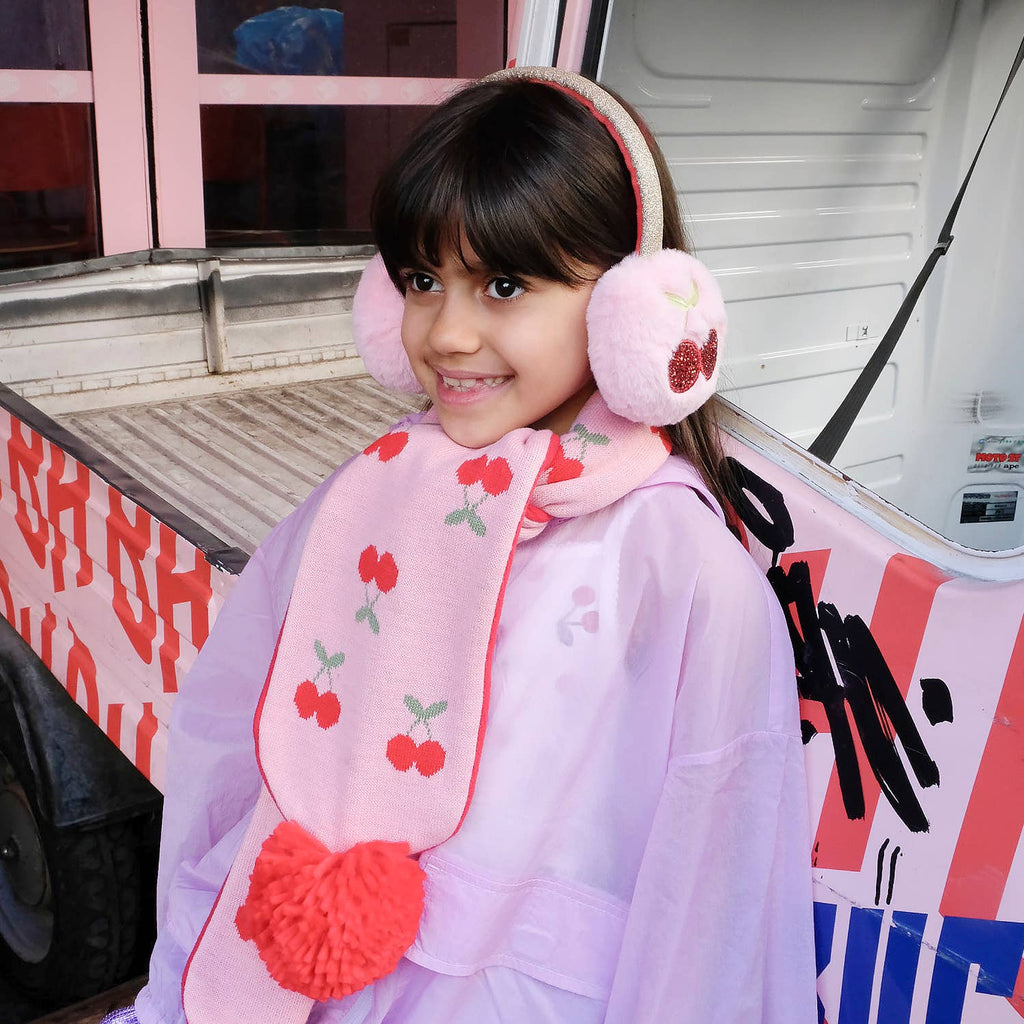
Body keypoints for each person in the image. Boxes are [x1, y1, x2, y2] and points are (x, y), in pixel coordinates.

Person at [108, 67, 816, 1024]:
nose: (445, 333)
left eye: (506, 284)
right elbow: (236, 751)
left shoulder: (679, 567)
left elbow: (715, 886)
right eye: (421, 280)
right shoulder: (375, 489)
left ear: (633, 308)